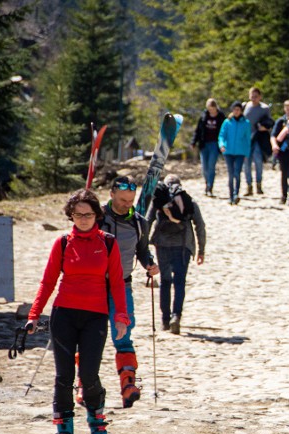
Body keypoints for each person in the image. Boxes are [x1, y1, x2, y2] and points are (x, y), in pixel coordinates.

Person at [28, 190, 129, 434]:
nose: (83, 219)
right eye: (77, 215)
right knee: (64, 376)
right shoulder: (62, 243)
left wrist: (121, 315)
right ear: (70, 216)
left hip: (95, 316)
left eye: (88, 214)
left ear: (97, 215)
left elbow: (117, 282)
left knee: (88, 374)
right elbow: (48, 281)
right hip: (64, 314)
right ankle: (64, 432)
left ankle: (97, 419)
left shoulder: (108, 243)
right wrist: (34, 314)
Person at [95, 176, 159, 408]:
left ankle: (128, 385)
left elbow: (142, 250)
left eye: (130, 200)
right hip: (92, 286)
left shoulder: (139, 222)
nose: (126, 204)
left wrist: (150, 263)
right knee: (90, 338)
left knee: (123, 335)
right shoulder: (95, 217)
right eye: (122, 200)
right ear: (111, 194)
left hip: (123, 286)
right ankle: (84, 385)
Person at [146, 174, 206, 335]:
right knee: (179, 282)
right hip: (183, 246)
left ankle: (165, 319)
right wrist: (201, 250)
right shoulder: (188, 201)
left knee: (165, 281)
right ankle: (176, 316)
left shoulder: (158, 201)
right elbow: (200, 226)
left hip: (162, 244)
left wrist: (141, 246)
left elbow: (147, 221)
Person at [218, 101, 252, 205]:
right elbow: (222, 135)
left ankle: (236, 193)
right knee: (230, 173)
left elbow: (247, 139)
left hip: (240, 152)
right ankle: (231, 196)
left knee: (237, 173)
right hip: (228, 151)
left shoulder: (246, 123)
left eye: (238, 109)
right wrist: (222, 145)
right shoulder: (227, 122)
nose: (236, 111)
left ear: (241, 110)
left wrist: (247, 153)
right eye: (235, 109)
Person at [242, 87, 273, 196]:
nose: (253, 98)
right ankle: (249, 186)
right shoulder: (245, 106)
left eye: (256, 96)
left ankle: (259, 185)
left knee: (258, 162)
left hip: (258, 139)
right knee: (246, 164)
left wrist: (265, 127)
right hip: (246, 139)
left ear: (260, 97)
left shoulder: (264, 108)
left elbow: (269, 122)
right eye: (252, 96)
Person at [191, 98, 225, 196]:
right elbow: (198, 130)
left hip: (215, 144)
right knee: (204, 167)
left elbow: (224, 131)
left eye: (212, 109)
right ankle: (206, 183)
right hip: (204, 144)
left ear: (215, 107)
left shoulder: (221, 117)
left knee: (211, 166)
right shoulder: (203, 116)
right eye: (209, 109)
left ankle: (210, 186)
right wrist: (193, 142)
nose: (211, 111)